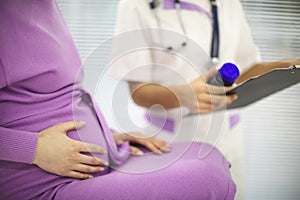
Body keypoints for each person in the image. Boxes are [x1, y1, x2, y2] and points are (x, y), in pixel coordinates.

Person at [0, 0, 237, 199]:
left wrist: (107, 134)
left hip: (102, 155)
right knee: (207, 180)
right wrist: (35, 149)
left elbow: (54, 98)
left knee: (207, 153)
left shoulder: (42, 6)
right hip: (47, 180)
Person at [110, 0, 300, 199]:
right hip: (171, 142)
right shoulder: (135, 4)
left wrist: (292, 66)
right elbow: (139, 92)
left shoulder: (229, 3)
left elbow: (246, 69)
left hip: (227, 141)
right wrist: (182, 95)